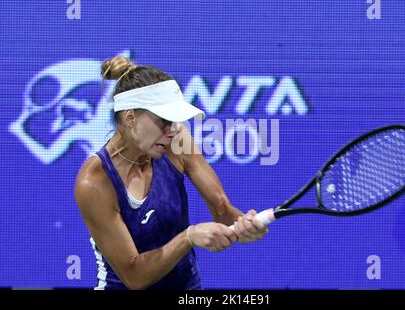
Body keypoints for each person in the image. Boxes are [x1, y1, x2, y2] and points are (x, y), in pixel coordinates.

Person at [74, 56, 268, 290]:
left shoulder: (178, 142)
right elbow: (134, 276)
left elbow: (222, 210)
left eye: (175, 120)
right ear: (130, 117)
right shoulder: (94, 181)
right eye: (164, 121)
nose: (174, 129)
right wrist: (188, 237)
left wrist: (245, 227)